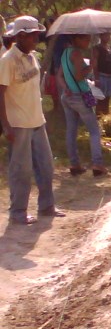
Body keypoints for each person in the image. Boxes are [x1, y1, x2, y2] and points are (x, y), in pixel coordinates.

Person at [0, 16, 65, 224]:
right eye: (32, 36)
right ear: (20, 36)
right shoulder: (7, 61)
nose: (36, 39)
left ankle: (47, 206)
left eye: (37, 35)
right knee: (22, 169)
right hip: (18, 123)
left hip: (37, 120)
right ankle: (18, 211)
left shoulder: (33, 56)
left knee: (46, 166)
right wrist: (6, 125)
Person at [58, 34, 108, 177]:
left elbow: (59, 75)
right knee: (94, 130)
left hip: (68, 96)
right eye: (85, 38)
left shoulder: (65, 53)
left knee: (71, 130)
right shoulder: (76, 53)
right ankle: (97, 164)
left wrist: (65, 87)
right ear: (76, 39)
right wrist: (92, 66)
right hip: (80, 96)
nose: (88, 41)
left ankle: (74, 164)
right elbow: (80, 76)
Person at [91, 32, 111, 115]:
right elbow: (94, 63)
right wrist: (96, 78)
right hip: (102, 76)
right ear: (101, 36)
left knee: (108, 98)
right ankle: (98, 117)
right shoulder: (97, 48)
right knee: (101, 98)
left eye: (108, 35)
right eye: (105, 35)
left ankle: (105, 116)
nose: (107, 37)